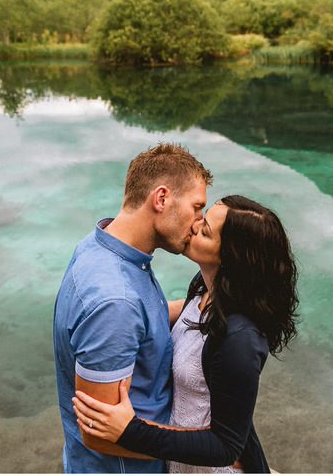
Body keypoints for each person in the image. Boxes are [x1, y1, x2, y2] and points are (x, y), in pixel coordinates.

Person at [72, 195, 299, 474]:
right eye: (203, 217)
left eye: (205, 231)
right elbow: (168, 313)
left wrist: (130, 431)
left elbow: (226, 446)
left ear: (230, 258)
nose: (194, 225)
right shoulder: (205, 291)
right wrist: (106, 314)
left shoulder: (239, 339)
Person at [53, 143, 213, 473]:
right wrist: (211, 451)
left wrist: (211, 305)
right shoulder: (115, 301)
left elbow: (143, 318)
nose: (199, 222)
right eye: (197, 207)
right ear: (162, 198)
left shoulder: (101, 246)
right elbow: (99, 435)